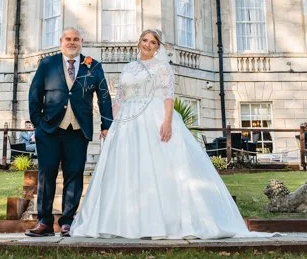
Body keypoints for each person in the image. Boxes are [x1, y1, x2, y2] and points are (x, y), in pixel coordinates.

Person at [71, 29, 264, 240]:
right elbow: (120, 99)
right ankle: (125, 222)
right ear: (139, 42)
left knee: (158, 167)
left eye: (152, 42)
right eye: (145, 40)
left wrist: (167, 122)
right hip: (127, 122)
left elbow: (168, 97)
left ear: (157, 47)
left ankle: (162, 222)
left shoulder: (162, 68)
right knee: (127, 168)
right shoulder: (128, 68)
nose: (147, 44)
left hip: (154, 118)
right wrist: (110, 124)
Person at [25, 28, 112, 238]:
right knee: (47, 176)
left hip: (78, 130)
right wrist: (38, 124)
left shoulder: (93, 65)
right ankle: (44, 223)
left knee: (74, 176)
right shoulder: (47, 64)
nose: (71, 42)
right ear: (61, 41)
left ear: (82, 41)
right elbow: (34, 94)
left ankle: (67, 222)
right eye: (68, 39)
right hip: (50, 130)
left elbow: (104, 96)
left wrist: (106, 125)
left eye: (75, 39)